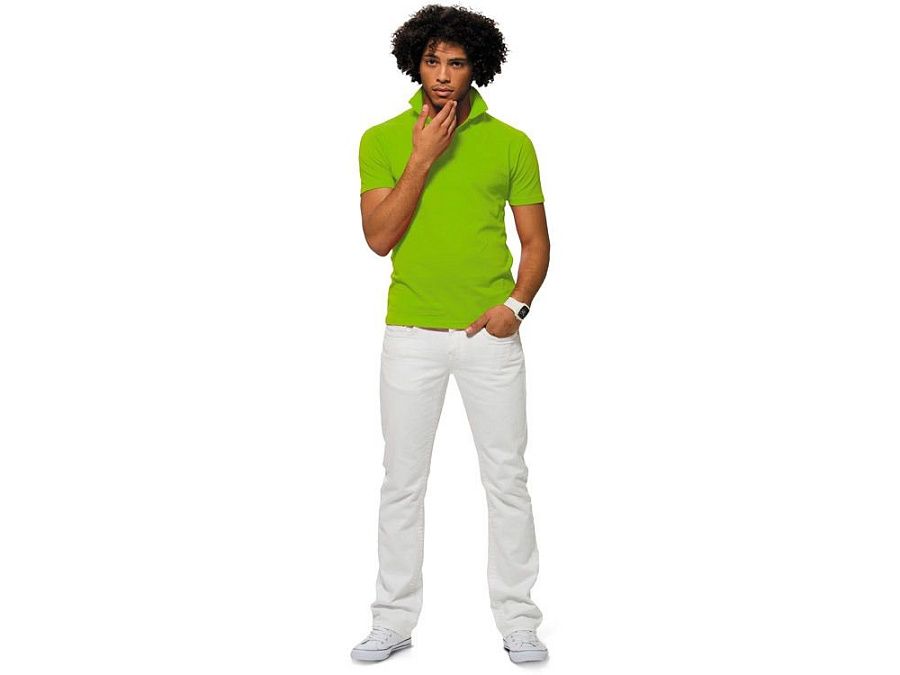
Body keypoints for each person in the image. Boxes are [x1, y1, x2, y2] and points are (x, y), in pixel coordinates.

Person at [351, 4, 551, 664]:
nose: (441, 74)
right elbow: (379, 238)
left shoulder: (511, 143)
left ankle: (519, 619)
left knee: (507, 480)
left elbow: (535, 240)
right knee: (402, 483)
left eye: (456, 62)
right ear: (415, 62)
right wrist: (422, 158)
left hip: (489, 338)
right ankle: (392, 619)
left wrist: (515, 307)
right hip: (410, 334)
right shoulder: (382, 139)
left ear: (476, 68)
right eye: (431, 60)